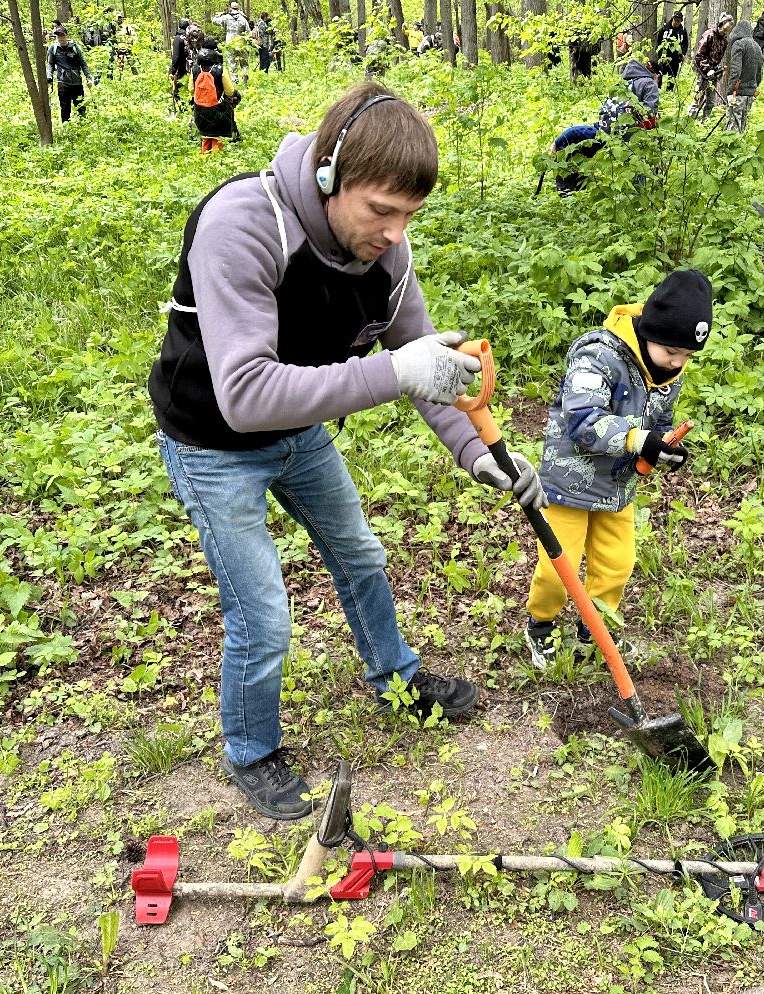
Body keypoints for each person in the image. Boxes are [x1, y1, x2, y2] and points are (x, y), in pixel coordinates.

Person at [149, 84, 545, 819]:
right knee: (262, 609)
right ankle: (252, 748)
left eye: (410, 216)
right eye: (382, 211)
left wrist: (476, 452)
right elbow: (245, 393)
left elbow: (428, 366)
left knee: (360, 552)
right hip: (210, 440)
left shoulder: (384, 257)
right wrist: (394, 372)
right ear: (329, 175)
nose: (397, 234)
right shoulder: (242, 224)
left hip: (298, 434)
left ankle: (396, 679)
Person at [524, 270, 713, 667]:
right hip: (569, 482)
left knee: (616, 564)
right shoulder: (598, 355)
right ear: (649, 334)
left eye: (686, 357)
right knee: (560, 567)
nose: (678, 363)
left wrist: (663, 448)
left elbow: (658, 425)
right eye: (672, 353)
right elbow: (583, 419)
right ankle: (540, 626)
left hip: (617, 485)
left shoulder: (669, 372)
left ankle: (593, 632)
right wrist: (636, 439)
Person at [192, 36, 239, 153]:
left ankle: (205, 156)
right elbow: (229, 91)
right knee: (217, 139)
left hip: (200, 110)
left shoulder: (195, 68)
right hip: (219, 110)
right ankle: (216, 158)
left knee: (205, 136)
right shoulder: (220, 69)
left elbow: (190, 89)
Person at [690, 14, 735, 120]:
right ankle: (688, 121)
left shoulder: (724, 41)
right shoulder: (709, 35)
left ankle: (705, 123)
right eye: (730, 23)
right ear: (723, 22)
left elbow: (718, 59)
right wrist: (707, 69)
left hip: (713, 74)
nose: (731, 26)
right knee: (698, 99)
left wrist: (718, 71)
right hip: (703, 73)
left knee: (710, 101)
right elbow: (699, 56)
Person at [724, 20, 764, 133]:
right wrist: (754, 87)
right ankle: (740, 149)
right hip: (750, 93)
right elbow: (760, 72)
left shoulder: (739, 44)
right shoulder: (757, 47)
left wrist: (730, 92)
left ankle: (730, 150)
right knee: (742, 126)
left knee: (732, 129)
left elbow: (736, 70)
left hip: (738, 93)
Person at [48, 26, 95, 121]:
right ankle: (66, 129)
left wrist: (88, 77)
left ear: (67, 35)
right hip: (63, 83)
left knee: (80, 107)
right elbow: (50, 64)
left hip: (77, 82)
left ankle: (83, 126)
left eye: (62, 35)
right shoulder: (53, 48)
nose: (61, 38)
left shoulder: (74, 47)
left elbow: (83, 63)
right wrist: (49, 76)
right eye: (58, 36)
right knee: (65, 108)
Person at [171, 23, 205, 112]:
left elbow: (176, 56)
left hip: (188, 69)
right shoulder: (201, 41)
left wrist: (173, 70)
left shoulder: (180, 39)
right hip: (201, 68)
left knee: (188, 88)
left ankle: (186, 108)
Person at [655, 12, 689, 90]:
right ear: (672, 19)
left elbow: (685, 44)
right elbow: (658, 42)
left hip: (675, 58)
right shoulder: (664, 28)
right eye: (675, 20)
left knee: (672, 76)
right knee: (660, 74)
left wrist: (683, 54)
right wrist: (660, 54)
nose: (676, 22)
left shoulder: (682, 30)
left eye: (678, 21)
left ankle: (669, 92)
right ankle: (657, 90)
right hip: (664, 56)